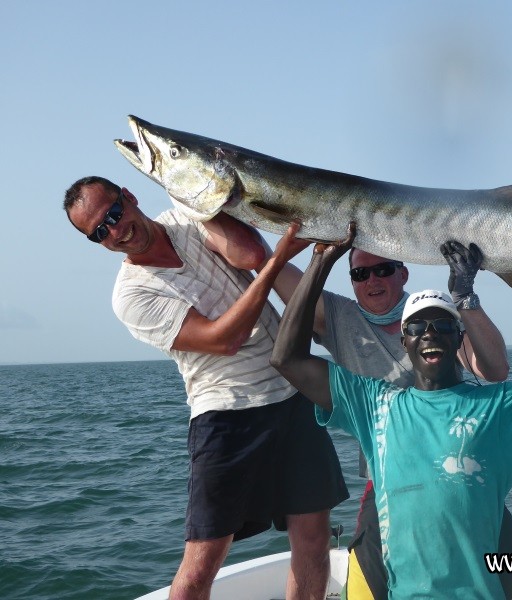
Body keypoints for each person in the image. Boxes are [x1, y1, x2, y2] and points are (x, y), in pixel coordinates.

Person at [270, 223, 512, 599]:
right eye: (417, 327)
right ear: (405, 341)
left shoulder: (498, 408)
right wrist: (320, 261)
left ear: (460, 337)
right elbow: (286, 357)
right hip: (384, 497)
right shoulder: (374, 403)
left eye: (442, 325)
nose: (429, 333)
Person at [63, 177, 349, 600]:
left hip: (292, 398)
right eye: (99, 232)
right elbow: (222, 339)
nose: (115, 230)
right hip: (226, 415)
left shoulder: (184, 218)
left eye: (113, 214)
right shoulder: (131, 296)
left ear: (129, 195)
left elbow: (250, 253)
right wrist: (281, 259)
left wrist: (198, 198)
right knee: (201, 564)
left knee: (312, 538)